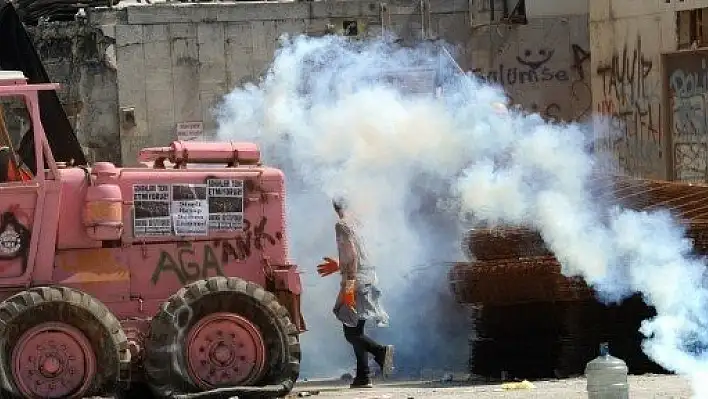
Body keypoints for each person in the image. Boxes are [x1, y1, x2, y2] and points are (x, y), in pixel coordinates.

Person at [317, 197, 394, 388]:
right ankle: (362, 377)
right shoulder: (360, 223)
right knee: (357, 330)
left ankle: (381, 352)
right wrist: (339, 264)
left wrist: (349, 289)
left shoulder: (342, 225)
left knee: (351, 333)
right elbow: (362, 254)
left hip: (356, 281)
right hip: (369, 278)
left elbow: (352, 259)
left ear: (336, 206)